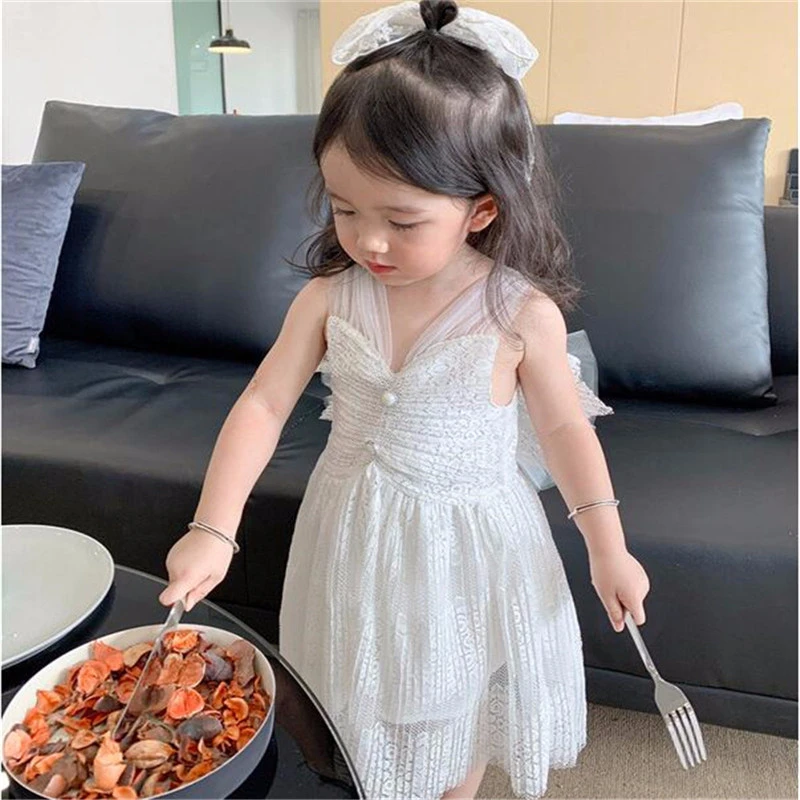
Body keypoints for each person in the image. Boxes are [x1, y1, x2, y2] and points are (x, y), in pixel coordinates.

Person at [159, 1, 651, 797]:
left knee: (459, 699)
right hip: (352, 533)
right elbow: (263, 403)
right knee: (363, 687)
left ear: (481, 208)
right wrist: (213, 528)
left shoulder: (519, 313)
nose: (369, 241)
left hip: (469, 546)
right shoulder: (329, 297)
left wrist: (608, 547)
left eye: (403, 219)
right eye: (345, 209)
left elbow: (564, 430)